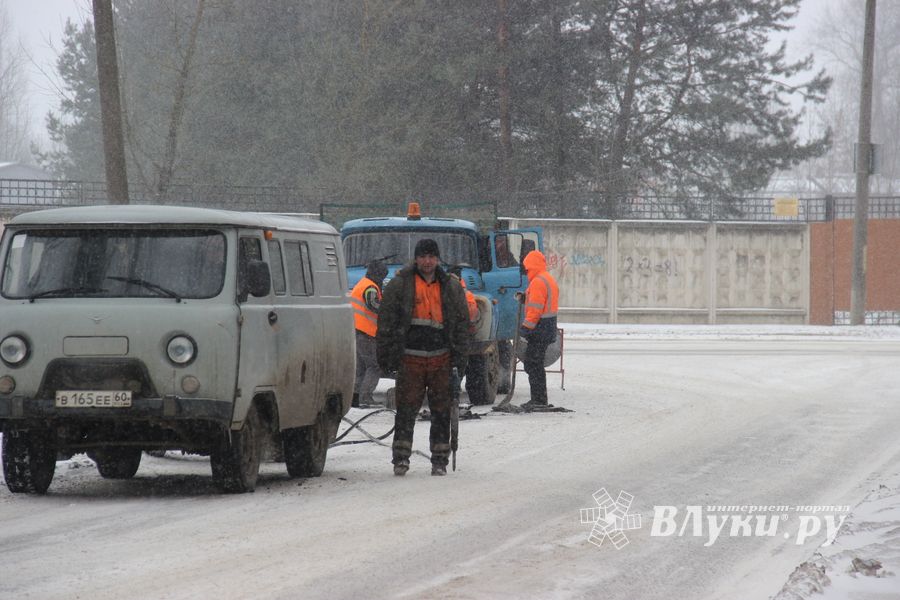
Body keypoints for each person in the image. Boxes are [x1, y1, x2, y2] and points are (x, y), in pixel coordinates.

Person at [376, 239, 471, 477]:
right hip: (410, 359)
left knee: (441, 411)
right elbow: (386, 322)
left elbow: (461, 323)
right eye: (423, 256)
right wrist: (386, 356)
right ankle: (401, 458)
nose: (427, 261)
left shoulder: (450, 286)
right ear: (416, 259)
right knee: (406, 410)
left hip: (441, 359)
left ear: (437, 259)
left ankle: (439, 459)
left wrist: (460, 356)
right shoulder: (400, 285)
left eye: (431, 256)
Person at [518, 249, 559, 409]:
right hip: (547, 328)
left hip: (539, 329)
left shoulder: (538, 282)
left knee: (532, 364)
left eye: (527, 268)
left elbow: (535, 310)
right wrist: (525, 298)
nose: (526, 271)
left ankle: (539, 399)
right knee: (535, 363)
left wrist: (525, 329)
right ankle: (539, 398)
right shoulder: (546, 278)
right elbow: (540, 302)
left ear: (532, 265)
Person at [350, 259, 388, 407]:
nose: (382, 279)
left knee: (361, 367)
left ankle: (355, 397)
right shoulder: (370, 287)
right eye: (382, 276)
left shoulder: (361, 283)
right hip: (367, 333)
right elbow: (373, 304)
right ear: (377, 274)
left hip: (356, 330)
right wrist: (388, 309)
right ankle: (365, 398)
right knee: (374, 366)